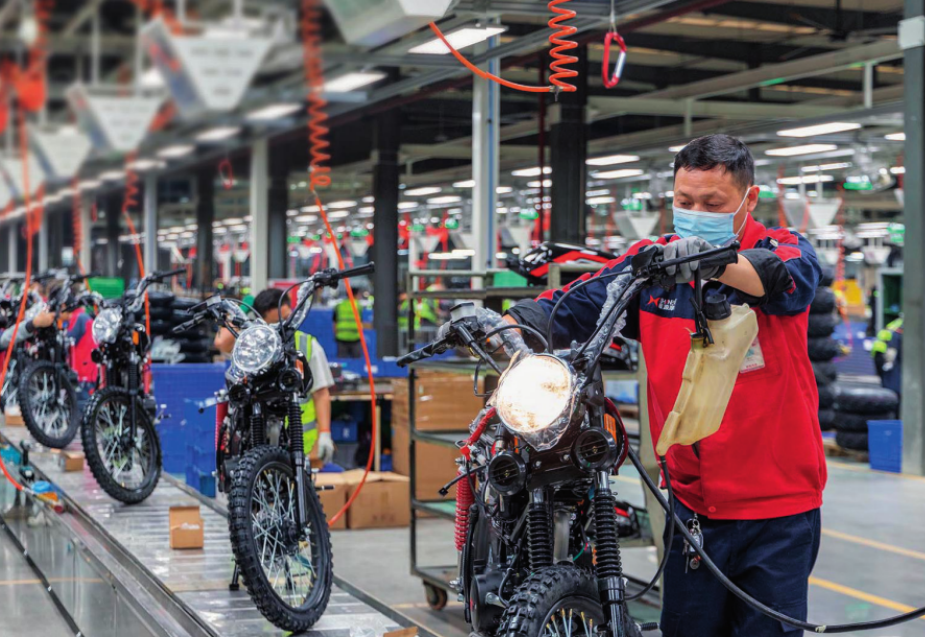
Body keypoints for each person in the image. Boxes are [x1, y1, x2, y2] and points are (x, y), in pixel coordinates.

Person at [505, 134, 824, 637]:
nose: (696, 213)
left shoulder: (780, 247)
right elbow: (576, 302)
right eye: (684, 201)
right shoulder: (653, 265)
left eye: (712, 204)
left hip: (778, 510)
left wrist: (714, 262)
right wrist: (507, 324)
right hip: (692, 505)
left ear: (749, 199)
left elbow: (787, 279)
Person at [214, 288, 335, 464]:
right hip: (256, 441)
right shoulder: (251, 345)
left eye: (284, 317)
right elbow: (221, 342)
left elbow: (321, 393)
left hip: (301, 444)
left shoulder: (307, 344)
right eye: (273, 321)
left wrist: (324, 433)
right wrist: (242, 309)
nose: (279, 326)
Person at [872, 316, 902, 399]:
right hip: (884, 352)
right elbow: (891, 352)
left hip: (879, 351)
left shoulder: (895, 324)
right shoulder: (899, 326)